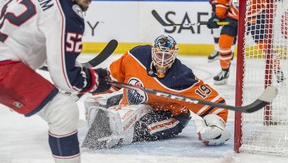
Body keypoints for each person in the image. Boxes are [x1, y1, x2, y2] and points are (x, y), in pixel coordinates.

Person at [0, 0, 111, 163]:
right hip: (5, 69)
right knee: (63, 111)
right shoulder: (68, 16)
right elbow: (66, 81)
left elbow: (3, 0)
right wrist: (95, 80)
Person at [82, 34, 231, 149]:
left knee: (142, 127)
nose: (162, 60)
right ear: (153, 52)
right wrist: (90, 85)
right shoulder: (136, 56)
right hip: (138, 102)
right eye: (160, 55)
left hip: (170, 115)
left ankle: (120, 133)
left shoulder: (182, 77)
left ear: (174, 55)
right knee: (107, 102)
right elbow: (112, 79)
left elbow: (213, 103)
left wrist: (216, 125)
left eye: (167, 56)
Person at [206, 0, 285, 85]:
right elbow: (222, 3)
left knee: (264, 44)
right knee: (224, 43)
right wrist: (217, 17)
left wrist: (267, 10)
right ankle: (224, 71)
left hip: (254, 17)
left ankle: (277, 69)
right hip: (234, 18)